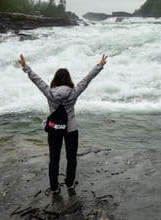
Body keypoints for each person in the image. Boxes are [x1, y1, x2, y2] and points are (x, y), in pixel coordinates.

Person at [18, 54, 108, 194]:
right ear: (68, 79)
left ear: (55, 79)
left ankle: (54, 187)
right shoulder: (73, 93)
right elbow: (87, 80)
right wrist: (100, 65)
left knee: (54, 159)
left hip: (54, 128)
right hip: (71, 129)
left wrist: (26, 67)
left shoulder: (49, 93)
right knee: (71, 158)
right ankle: (70, 184)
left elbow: (37, 81)